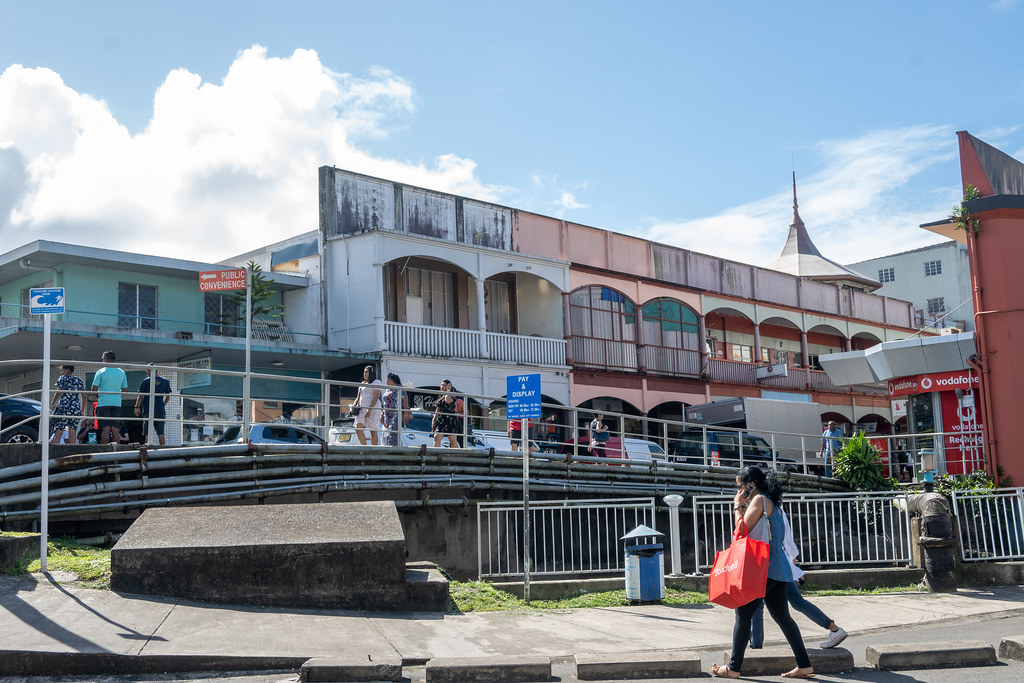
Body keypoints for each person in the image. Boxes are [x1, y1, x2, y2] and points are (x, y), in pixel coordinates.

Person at [710, 466, 814, 679]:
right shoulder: (772, 502)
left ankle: (733, 668)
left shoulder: (758, 501)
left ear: (751, 485)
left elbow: (741, 531)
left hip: (763, 570)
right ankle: (804, 666)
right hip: (779, 568)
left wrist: (736, 507)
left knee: (742, 614)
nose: (738, 491)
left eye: (740, 487)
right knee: (783, 617)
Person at [749, 507, 848, 650]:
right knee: (794, 602)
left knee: (758, 604)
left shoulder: (762, 507)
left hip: (769, 565)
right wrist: (793, 562)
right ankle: (834, 629)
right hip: (781, 564)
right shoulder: (777, 508)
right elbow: (787, 538)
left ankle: (756, 646)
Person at [90, 351, 127, 445]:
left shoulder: (100, 372)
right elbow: (125, 390)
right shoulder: (121, 372)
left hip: (103, 402)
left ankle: (104, 451)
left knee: (105, 429)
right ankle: (117, 452)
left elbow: (93, 389)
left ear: (105, 359)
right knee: (115, 429)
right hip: (116, 403)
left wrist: (100, 396)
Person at [133, 363, 171, 446]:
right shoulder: (165, 381)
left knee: (147, 432)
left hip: (148, 409)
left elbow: (141, 396)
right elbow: (168, 397)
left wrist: (137, 406)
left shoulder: (147, 380)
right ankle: (163, 450)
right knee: (161, 433)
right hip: (160, 410)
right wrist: (162, 405)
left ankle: (147, 449)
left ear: (149, 370)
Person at [49, 365, 85, 444]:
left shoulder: (62, 378)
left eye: (62, 369)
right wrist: (82, 409)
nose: (61, 371)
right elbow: (84, 396)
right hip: (75, 407)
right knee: (72, 429)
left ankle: (56, 447)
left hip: (64, 406)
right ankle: (72, 448)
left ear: (67, 370)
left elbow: (59, 391)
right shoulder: (78, 380)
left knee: (59, 428)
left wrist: (53, 402)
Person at [349, 365, 383, 445]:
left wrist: (369, 410)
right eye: (364, 372)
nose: (365, 374)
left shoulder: (376, 382)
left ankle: (373, 450)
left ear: (371, 373)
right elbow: (358, 397)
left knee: (373, 431)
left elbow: (376, 396)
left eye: (367, 372)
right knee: (358, 429)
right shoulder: (362, 384)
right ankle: (365, 449)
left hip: (373, 409)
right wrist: (352, 407)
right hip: (362, 409)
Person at [381, 372, 411, 447]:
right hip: (387, 414)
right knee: (387, 433)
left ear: (390, 380)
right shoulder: (388, 389)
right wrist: (382, 413)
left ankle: (394, 449)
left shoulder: (399, 387)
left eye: (386, 379)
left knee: (393, 432)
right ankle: (389, 448)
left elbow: (405, 399)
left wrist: (406, 413)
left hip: (396, 413)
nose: (386, 381)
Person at [432, 379, 464, 448]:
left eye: (444, 385)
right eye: (441, 385)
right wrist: (434, 420)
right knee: (436, 437)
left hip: (450, 420)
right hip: (441, 421)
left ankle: (455, 456)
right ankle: (435, 455)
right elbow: (437, 410)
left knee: (453, 441)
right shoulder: (441, 398)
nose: (442, 387)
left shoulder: (450, 396)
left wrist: (448, 390)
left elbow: (447, 400)